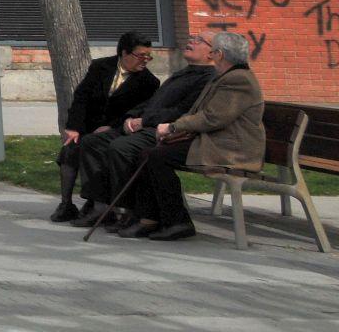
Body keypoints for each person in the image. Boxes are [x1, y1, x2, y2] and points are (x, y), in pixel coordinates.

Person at [115, 30, 265, 243]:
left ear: (220, 54)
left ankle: (176, 221)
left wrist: (173, 128)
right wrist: (178, 130)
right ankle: (151, 218)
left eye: (213, 51)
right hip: (215, 142)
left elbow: (213, 118)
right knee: (152, 154)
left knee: (155, 157)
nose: (211, 54)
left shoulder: (238, 80)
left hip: (231, 150)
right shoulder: (225, 77)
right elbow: (199, 113)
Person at [74, 32, 216, 227]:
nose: (191, 41)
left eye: (200, 40)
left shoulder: (208, 78)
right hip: (145, 124)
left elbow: (181, 111)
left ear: (212, 53)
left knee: (121, 147)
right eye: (192, 37)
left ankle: (128, 210)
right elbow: (153, 102)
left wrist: (144, 121)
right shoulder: (183, 72)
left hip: (163, 129)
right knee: (93, 142)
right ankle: (101, 205)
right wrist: (129, 118)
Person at [48, 30, 158, 221]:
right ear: (124, 53)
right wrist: (73, 127)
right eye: (141, 55)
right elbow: (81, 97)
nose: (145, 60)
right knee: (70, 148)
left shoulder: (149, 82)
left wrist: (112, 127)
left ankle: (97, 205)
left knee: (92, 146)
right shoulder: (101, 67)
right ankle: (66, 204)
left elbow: (137, 112)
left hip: (117, 132)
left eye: (149, 56)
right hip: (90, 127)